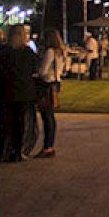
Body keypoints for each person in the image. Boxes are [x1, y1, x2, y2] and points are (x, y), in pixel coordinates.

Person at [0, 24, 38, 162]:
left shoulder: (4, 51)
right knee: (19, 123)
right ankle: (17, 151)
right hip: (23, 90)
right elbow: (34, 68)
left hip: (6, 89)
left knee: (4, 122)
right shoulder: (27, 52)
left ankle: (1, 152)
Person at [35, 29, 66, 158]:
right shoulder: (61, 52)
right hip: (56, 82)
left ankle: (47, 146)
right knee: (50, 116)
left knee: (46, 116)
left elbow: (43, 70)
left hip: (47, 83)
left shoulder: (50, 52)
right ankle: (50, 144)